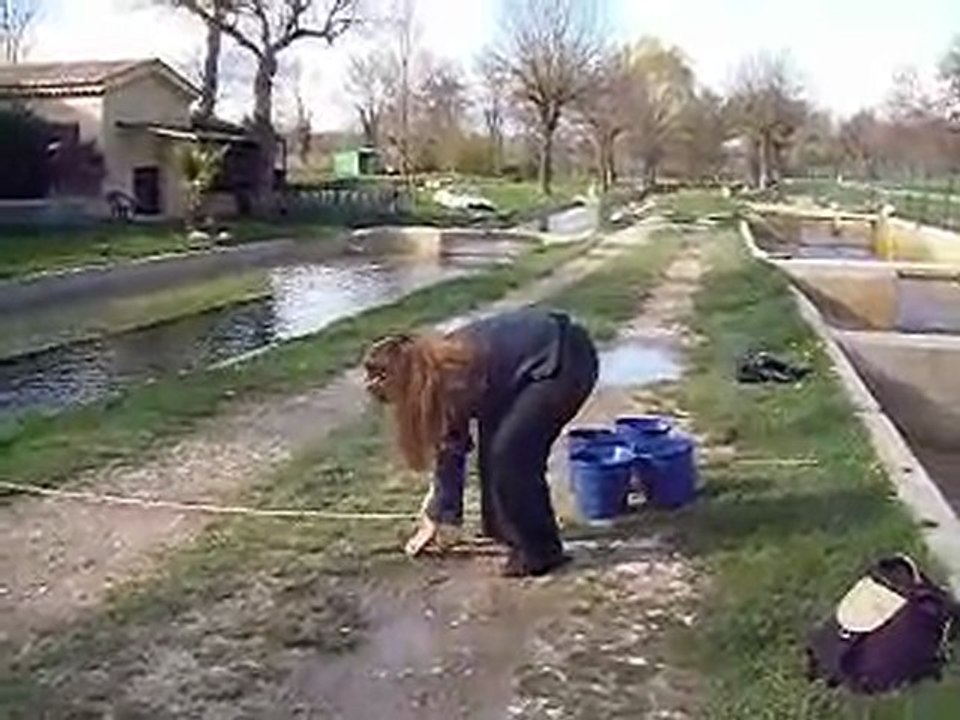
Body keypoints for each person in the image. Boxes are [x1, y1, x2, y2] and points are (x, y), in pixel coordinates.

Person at [362, 308, 598, 577]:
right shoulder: (434, 367)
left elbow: (452, 447)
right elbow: (451, 445)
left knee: (510, 454)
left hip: (564, 361)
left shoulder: (448, 371)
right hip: (531, 363)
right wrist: (439, 515)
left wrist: (440, 514)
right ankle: (503, 530)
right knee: (495, 445)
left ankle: (541, 551)